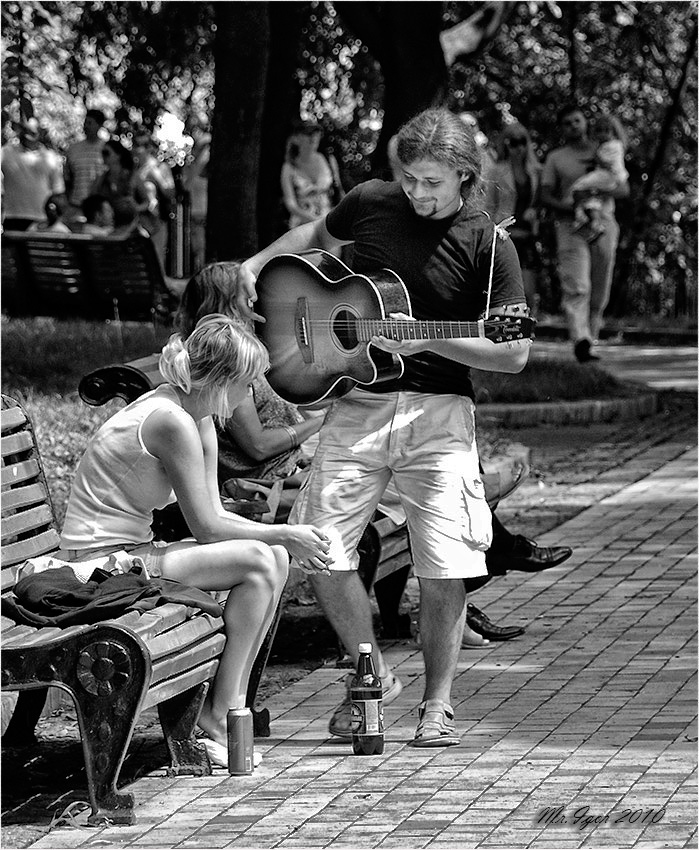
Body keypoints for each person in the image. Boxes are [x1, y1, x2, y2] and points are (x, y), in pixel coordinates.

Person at [236, 107, 532, 749]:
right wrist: (255, 264)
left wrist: (428, 339)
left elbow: (513, 353)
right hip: (356, 405)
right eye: (410, 178)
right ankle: (371, 670)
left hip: (439, 415)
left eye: (432, 182)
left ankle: (438, 706)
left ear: (465, 175)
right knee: (318, 546)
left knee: (444, 562)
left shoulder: (489, 245)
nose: (417, 193)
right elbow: (315, 230)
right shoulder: (372, 200)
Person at [57, 314, 333, 766]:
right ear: (222, 380)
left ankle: (230, 707)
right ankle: (218, 715)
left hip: (134, 553)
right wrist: (285, 531)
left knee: (275, 558)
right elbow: (206, 528)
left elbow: (216, 515)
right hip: (100, 564)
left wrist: (281, 539)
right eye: (247, 383)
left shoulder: (195, 415)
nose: (250, 393)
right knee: (261, 559)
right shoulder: (171, 421)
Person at [540, 104, 629, 364]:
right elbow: (545, 195)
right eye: (567, 123)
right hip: (570, 227)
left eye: (577, 121)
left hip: (603, 223)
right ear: (562, 128)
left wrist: (594, 193)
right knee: (577, 285)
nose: (573, 127)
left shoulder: (604, 149)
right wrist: (571, 206)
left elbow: (624, 189)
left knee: (600, 287)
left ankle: (592, 338)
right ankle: (581, 340)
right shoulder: (556, 158)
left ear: (585, 122)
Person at [483, 122, 542, 311]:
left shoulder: (536, 171)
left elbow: (542, 200)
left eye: (522, 142)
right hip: (505, 235)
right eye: (513, 142)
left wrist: (536, 213)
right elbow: (488, 205)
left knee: (529, 291)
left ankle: (530, 324)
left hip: (528, 234)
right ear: (505, 144)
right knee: (505, 290)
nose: (519, 148)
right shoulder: (496, 171)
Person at [570, 115, 629, 243]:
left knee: (578, 188)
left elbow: (623, 187)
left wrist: (597, 158)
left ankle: (584, 218)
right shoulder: (608, 146)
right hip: (607, 180)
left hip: (607, 179)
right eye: (599, 130)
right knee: (591, 200)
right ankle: (593, 223)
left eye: (606, 130)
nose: (602, 134)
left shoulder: (613, 146)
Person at [1, 116, 64, 231]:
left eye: (32, 131)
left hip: (41, 219)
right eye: (25, 130)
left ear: (40, 132)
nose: (27, 135)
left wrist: (54, 216)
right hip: (13, 216)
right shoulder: (6, 153)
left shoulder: (50, 157)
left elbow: (58, 190)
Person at [281, 121, 343, 230]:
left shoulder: (329, 160)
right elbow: (290, 204)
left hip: (329, 224)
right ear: (297, 138)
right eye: (308, 134)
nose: (313, 138)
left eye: (316, 134)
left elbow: (340, 192)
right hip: (302, 227)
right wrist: (313, 219)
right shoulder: (289, 167)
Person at [132, 128, 176, 265]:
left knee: (157, 260)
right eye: (137, 145)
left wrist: (156, 176)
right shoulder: (133, 170)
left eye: (144, 145)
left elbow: (171, 193)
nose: (140, 149)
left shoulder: (161, 167)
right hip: (138, 222)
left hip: (157, 221)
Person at [89, 139, 150, 228]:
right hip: (108, 227)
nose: (103, 156)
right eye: (102, 153)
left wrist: (136, 207)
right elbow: (92, 200)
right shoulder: (101, 178)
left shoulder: (132, 176)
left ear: (118, 155)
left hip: (130, 225)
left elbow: (146, 202)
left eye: (106, 153)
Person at [64, 108, 107, 222]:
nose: (86, 126)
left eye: (90, 123)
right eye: (85, 122)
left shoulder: (106, 149)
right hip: (76, 205)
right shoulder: (73, 149)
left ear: (99, 125)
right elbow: (67, 178)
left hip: (99, 208)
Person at [181, 127, 210, 273]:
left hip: (205, 215)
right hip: (196, 215)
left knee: (203, 250)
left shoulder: (207, 166)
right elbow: (186, 185)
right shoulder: (192, 168)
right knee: (198, 250)